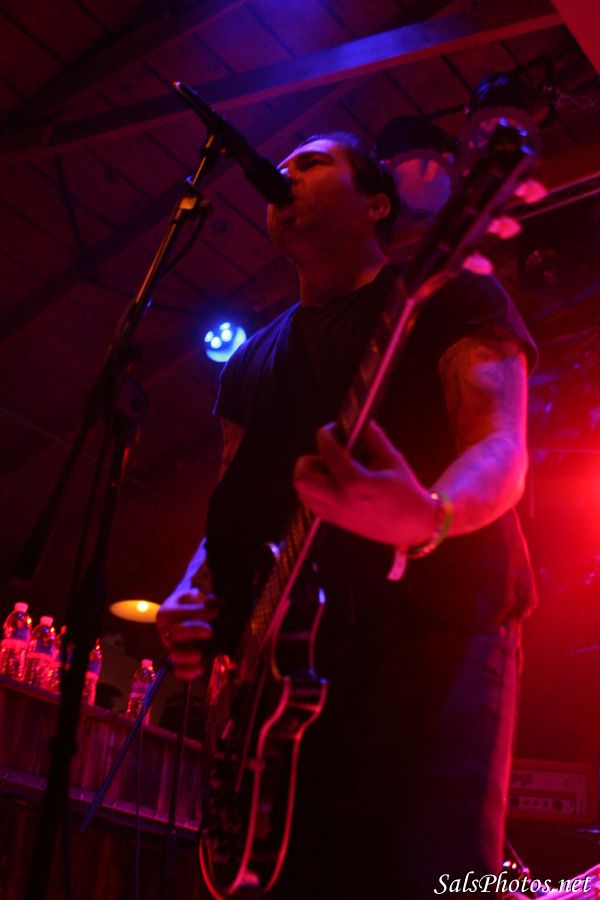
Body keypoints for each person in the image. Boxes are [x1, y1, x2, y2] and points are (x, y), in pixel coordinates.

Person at [157, 131, 537, 899]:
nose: (284, 173)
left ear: (376, 203)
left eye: (311, 162)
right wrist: (192, 592)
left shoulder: (452, 295)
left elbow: (501, 446)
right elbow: (234, 513)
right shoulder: (251, 361)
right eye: (282, 167)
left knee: (424, 874)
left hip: (434, 629)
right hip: (288, 676)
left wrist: (428, 516)